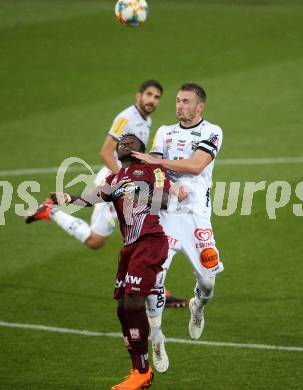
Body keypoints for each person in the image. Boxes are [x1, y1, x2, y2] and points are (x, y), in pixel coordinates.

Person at [26, 134, 171, 390]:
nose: (125, 142)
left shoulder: (152, 169)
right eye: (122, 141)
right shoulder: (114, 179)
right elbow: (94, 197)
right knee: (122, 308)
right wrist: (67, 198)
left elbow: (165, 200)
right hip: (129, 248)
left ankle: (143, 372)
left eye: (131, 141)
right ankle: (138, 369)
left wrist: (136, 192)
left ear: (140, 150)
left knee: (134, 303)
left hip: (150, 241)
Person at [35, 79, 188, 310]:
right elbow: (106, 153)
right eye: (148, 95)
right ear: (138, 95)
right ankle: (50, 211)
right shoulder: (126, 118)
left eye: (157, 97)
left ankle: (154, 287)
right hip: (114, 186)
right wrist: (124, 184)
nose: (152, 100)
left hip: (127, 188)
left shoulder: (146, 121)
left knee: (147, 232)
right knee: (98, 241)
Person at [132, 83, 224, 349]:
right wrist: (170, 184)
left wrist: (155, 162)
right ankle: (156, 335)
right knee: (156, 277)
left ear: (200, 107)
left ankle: (197, 305)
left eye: (185, 101)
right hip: (166, 216)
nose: (179, 105)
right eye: (177, 101)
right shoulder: (164, 132)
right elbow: (155, 170)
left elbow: (196, 166)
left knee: (207, 282)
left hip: (196, 217)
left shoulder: (212, 131)